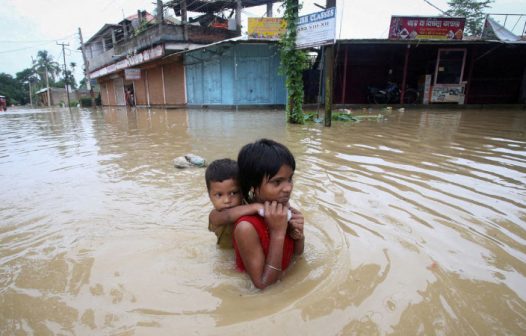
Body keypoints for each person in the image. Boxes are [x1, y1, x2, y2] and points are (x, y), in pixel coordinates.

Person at [234, 139, 304, 289]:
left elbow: (297, 256)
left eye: (290, 179)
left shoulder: (282, 208)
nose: (288, 188)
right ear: (253, 187)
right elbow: (263, 285)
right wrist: (278, 232)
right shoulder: (246, 227)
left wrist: (299, 235)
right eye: (277, 182)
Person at [205, 158, 264, 248]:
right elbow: (228, 216)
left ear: (243, 192)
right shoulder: (215, 216)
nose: (227, 200)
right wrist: (256, 207)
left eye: (233, 193)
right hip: (226, 252)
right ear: (209, 196)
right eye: (219, 195)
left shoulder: (247, 203)